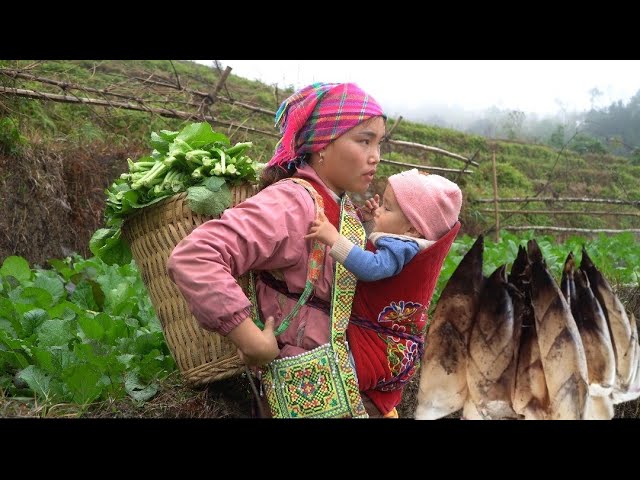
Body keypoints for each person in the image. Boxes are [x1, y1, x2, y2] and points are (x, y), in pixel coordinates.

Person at [167, 81, 387, 417]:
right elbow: (195, 255)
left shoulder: (335, 204)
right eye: (364, 140)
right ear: (322, 145)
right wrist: (249, 338)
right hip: (295, 396)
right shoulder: (292, 202)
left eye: (379, 143)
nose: (375, 157)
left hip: (334, 391)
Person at [305, 168, 462, 418]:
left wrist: (333, 239)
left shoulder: (403, 245)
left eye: (387, 208)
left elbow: (372, 267)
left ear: (412, 229)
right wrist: (371, 220)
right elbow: (377, 252)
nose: (379, 209)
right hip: (397, 347)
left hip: (382, 343)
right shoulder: (409, 243)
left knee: (338, 381)